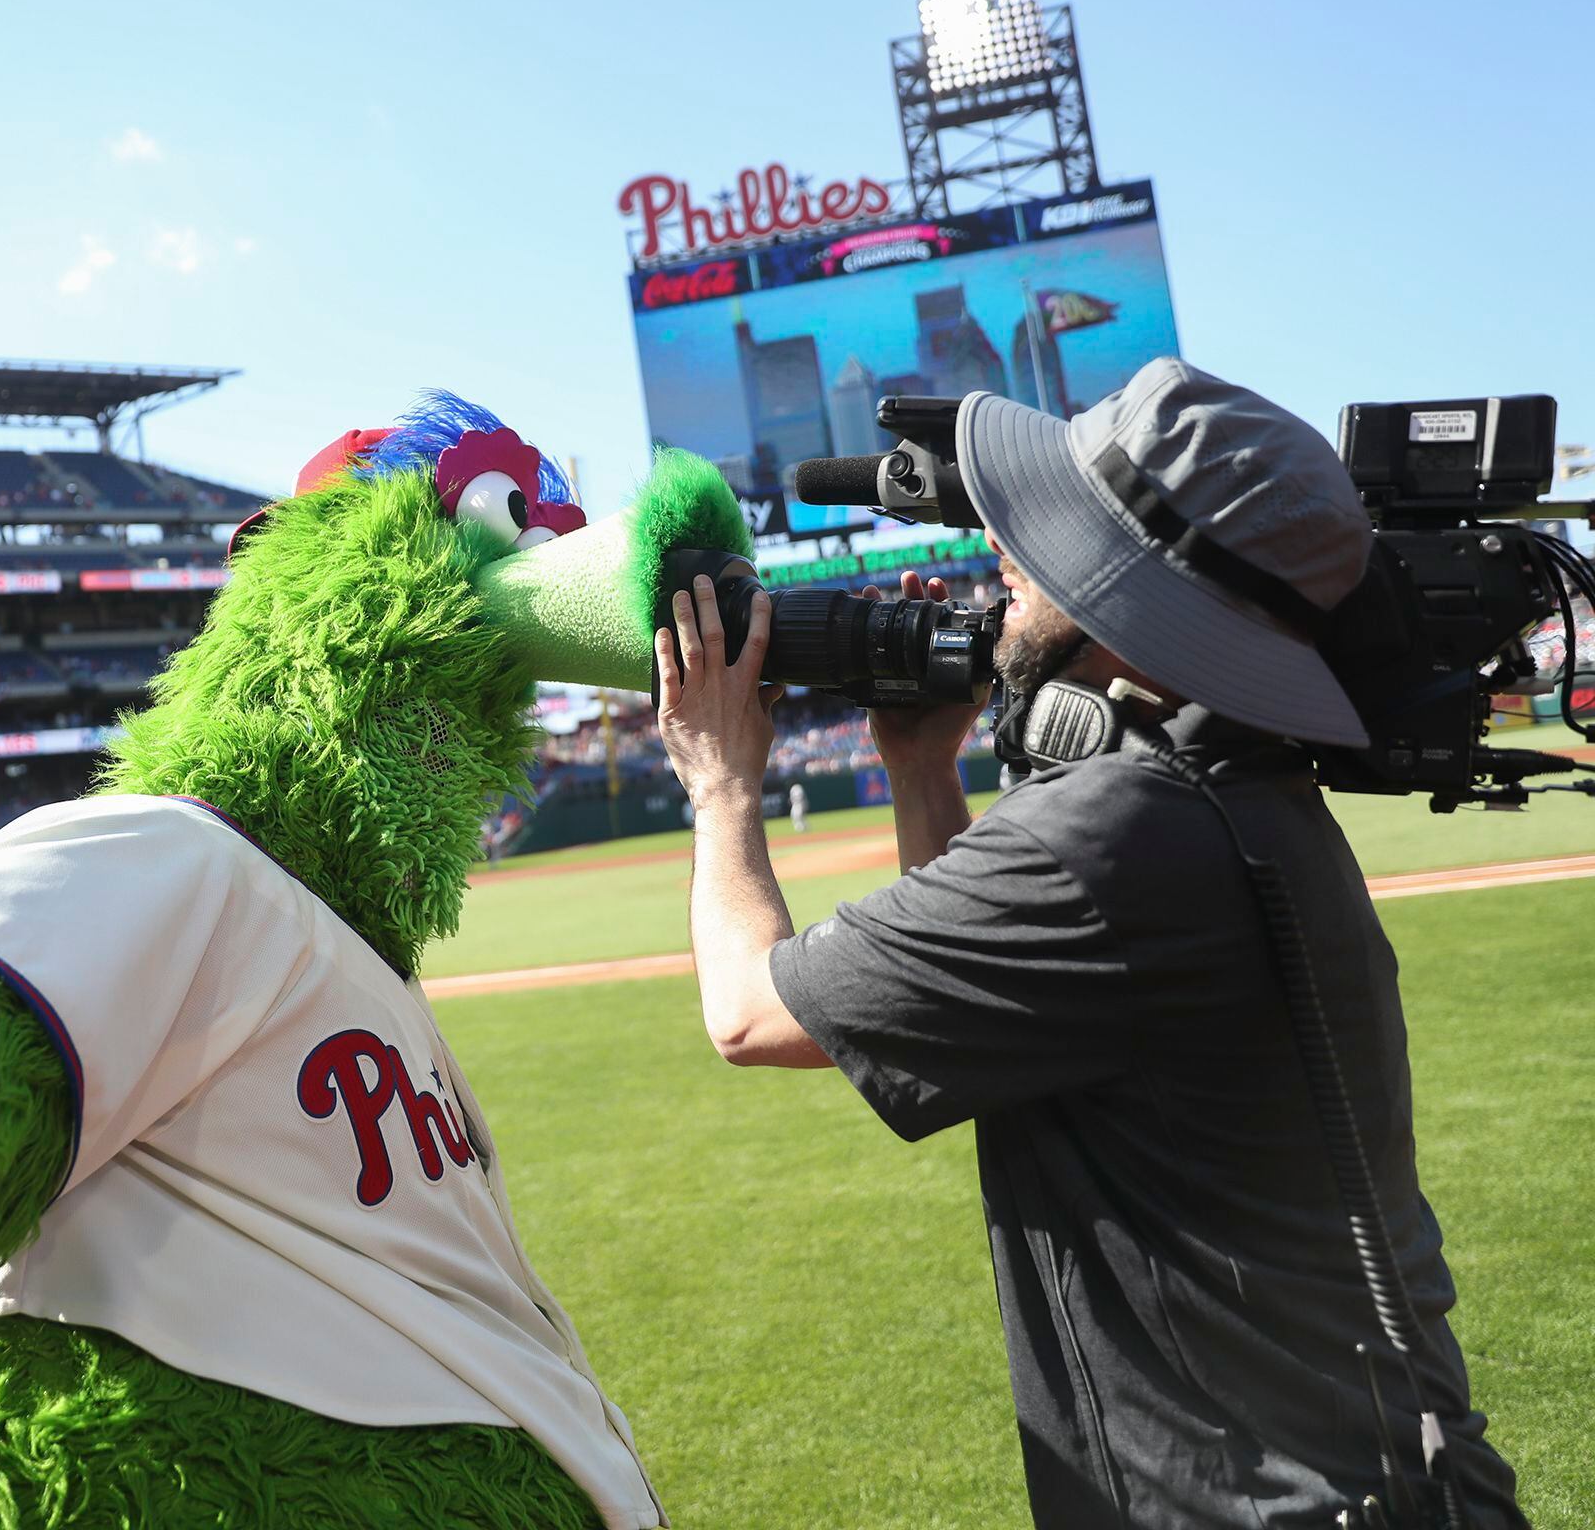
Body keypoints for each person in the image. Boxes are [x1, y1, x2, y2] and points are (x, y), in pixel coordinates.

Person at [653, 360, 1526, 1527]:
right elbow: (994, 1012)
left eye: (1051, 528)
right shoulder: (1222, 796)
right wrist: (922, 769)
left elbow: (749, 1013)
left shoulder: (1115, 833)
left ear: (1142, 595)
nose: (1008, 551)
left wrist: (720, 782)